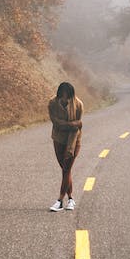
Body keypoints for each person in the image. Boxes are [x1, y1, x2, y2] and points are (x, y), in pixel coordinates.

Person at [48, 81, 83, 210]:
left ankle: (60, 200)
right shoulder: (52, 103)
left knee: (66, 168)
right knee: (64, 169)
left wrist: (70, 149)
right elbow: (56, 122)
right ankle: (71, 199)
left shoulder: (78, 105)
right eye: (62, 95)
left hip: (74, 141)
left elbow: (76, 129)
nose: (65, 98)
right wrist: (72, 124)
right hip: (58, 139)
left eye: (67, 96)